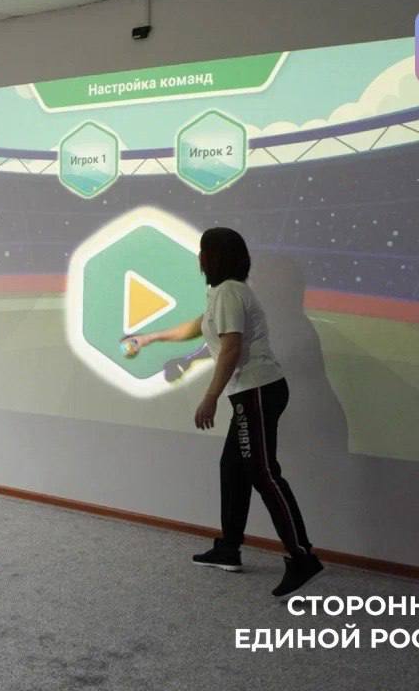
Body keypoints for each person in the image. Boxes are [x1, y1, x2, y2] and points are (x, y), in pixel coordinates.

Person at [125, 227, 322, 598]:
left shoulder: (230, 291)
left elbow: (231, 347)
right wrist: (150, 338)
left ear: (213, 256)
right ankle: (229, 547)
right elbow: (199, 328)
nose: (198, 257)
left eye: (203, 251)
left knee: (263, 473)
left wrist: (210, 396)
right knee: (233, 468)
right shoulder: (222, 293)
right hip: (252, 393)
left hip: (256, 391)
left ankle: (302, 557)